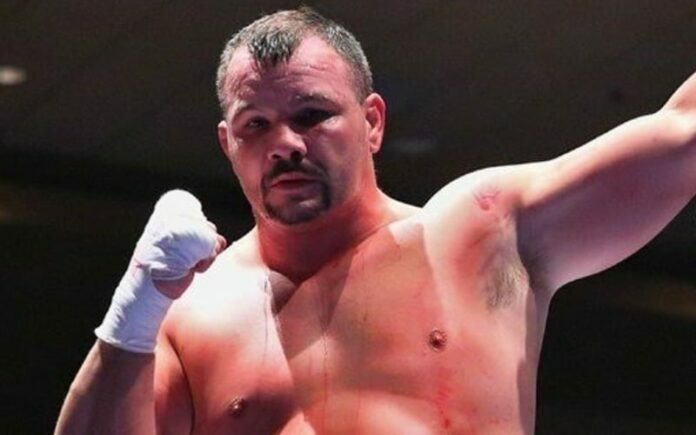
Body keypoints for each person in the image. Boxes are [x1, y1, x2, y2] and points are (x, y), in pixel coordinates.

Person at [55, 7, 695, 434]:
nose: (284, 143)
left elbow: (684, 134)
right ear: (228, 144)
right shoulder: (190, 316)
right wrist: (134, 313)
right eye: (257, 125)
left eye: (311, 115)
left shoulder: (480, 232)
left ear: (372, 122)